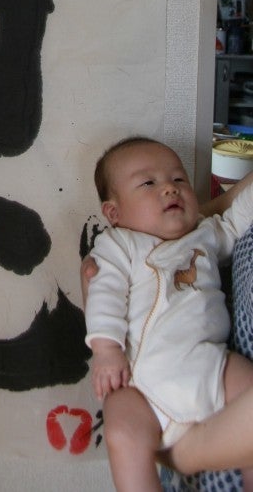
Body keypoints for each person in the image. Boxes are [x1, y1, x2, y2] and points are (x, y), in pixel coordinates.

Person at [84, 136, 253, 492]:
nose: (169, 188)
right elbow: (104, 292)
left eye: (179, 179)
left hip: (211, 365)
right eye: (149, 183)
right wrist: (106, 349)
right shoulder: (118, 245)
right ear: (114, 213)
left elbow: (237, 220)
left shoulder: (205, 234)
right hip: (142, 386)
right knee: (121, 428)